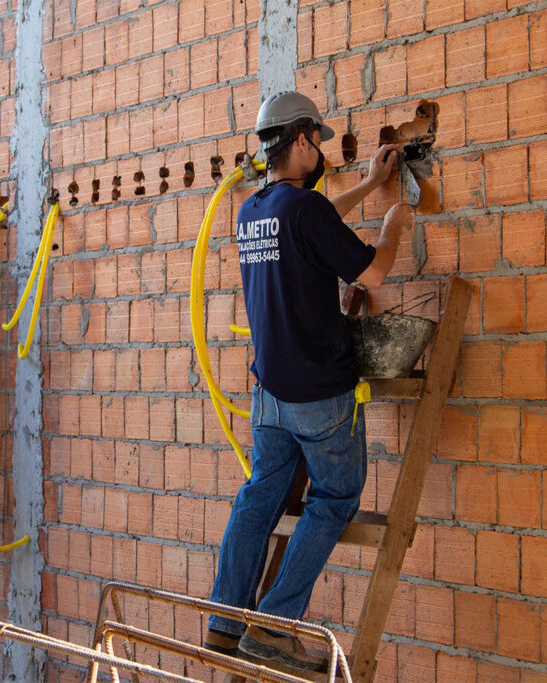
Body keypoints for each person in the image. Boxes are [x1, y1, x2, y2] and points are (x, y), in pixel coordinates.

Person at [204, 92, 412, 671]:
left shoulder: (255, 210)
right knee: (336, 496)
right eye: (315, 139)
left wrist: (370, 186)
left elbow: (312, 225)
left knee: (260, 496)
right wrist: (394, 223)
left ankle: (226, 621)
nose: (319, 149)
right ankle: (273, 626)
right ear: (298, 140)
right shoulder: (305, 211)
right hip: (321, 393)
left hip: (269, 395)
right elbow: (373, 269)